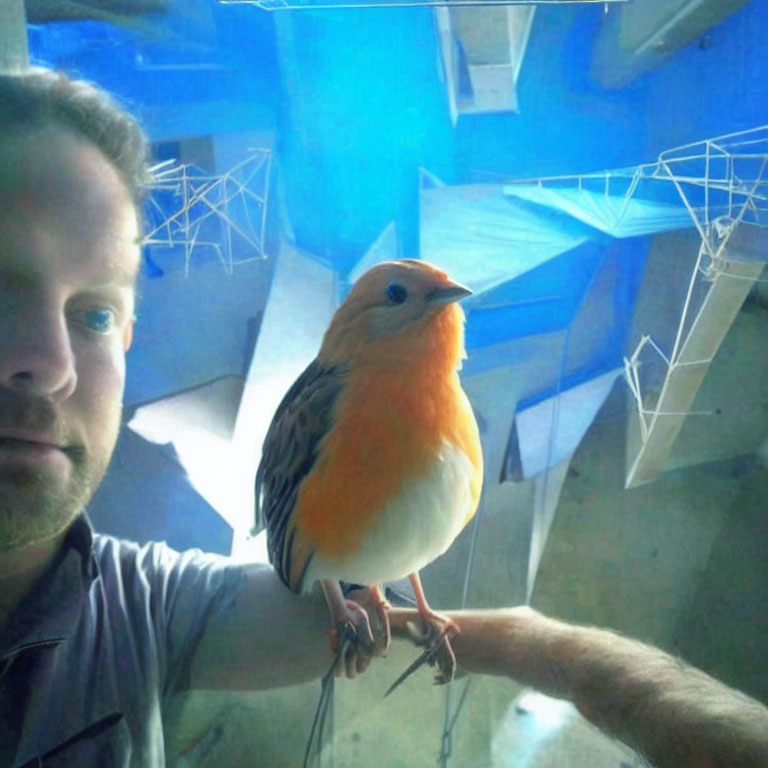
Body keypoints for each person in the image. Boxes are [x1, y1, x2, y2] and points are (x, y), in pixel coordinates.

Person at [1, 69, 766, 768]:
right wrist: (337, 595)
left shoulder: (136, 610)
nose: (50, 363)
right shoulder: (324, 401)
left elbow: (314, 596)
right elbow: (298, 532)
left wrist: (531, 641)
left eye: (94, 314)